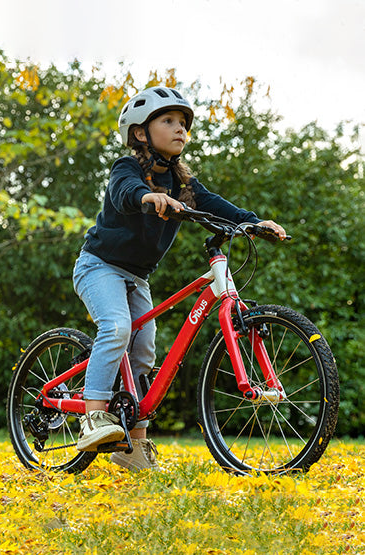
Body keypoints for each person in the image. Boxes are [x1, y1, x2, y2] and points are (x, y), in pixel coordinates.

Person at [73, 86, 286, 470]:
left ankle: (133, 443)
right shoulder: (128, 168)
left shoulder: (183, 183)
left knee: (145, 349)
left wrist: (253, 222)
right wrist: (147, 197)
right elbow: (124, 192)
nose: (180, 129)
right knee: (118, 328)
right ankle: (92, 414)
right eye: (168, 121)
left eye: (183, 124)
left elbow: (218, 205)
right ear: (141, 132)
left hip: (137, 277)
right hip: (98, 266)